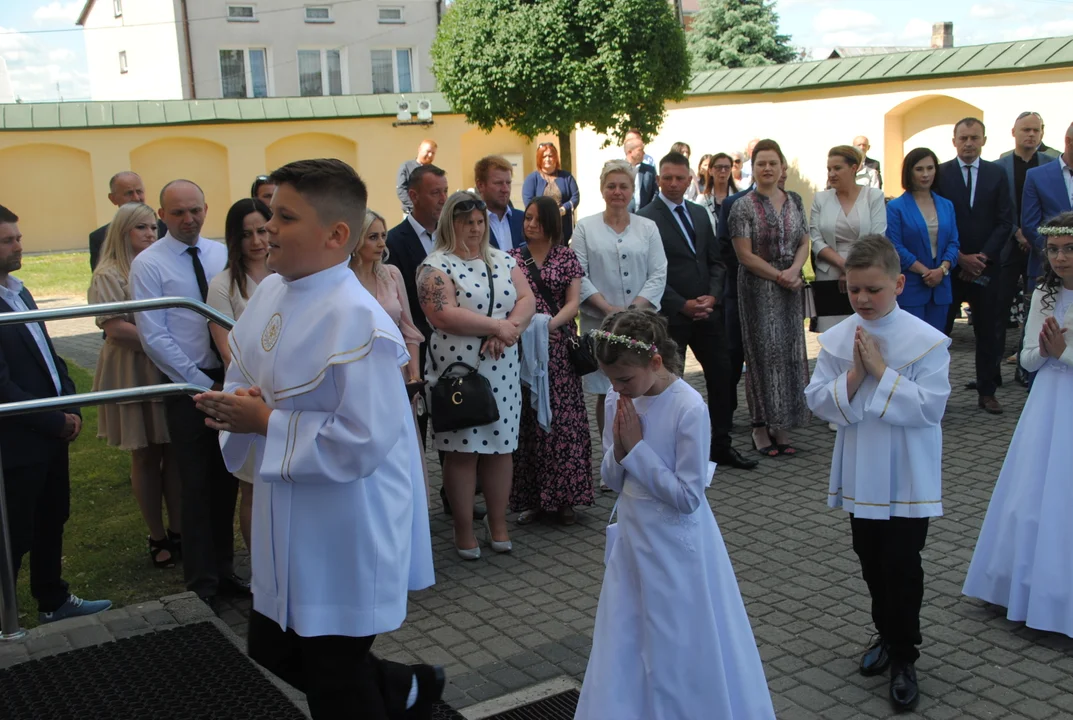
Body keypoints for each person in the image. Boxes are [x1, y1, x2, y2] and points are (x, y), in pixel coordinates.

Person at [192, 159, 442, 719]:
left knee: (335, 679)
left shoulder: (358, 320)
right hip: (290, 512)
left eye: (284, 216)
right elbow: (247, 367)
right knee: (273, 644)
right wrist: (242, 404)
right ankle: (408, 687)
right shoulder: (271, 293)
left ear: (335, 236)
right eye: (269, 212)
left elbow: (363, 439)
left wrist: (264, 424)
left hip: (346, 523)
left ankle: (402, 691)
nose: (268, 228)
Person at [575, 309, 774, 720]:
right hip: (634, 535)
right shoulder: (618, 397)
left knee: (678, 636)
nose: (617, 389)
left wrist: (638, 449)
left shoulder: (688, 407)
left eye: (625, 379)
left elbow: (687, 497)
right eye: (610, 380)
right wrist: (619, 447)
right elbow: (612, 479)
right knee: (627, 633)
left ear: (656, 361)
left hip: (676, 544)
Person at [804, 234, 951, 713]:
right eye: (854, 290)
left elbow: (931, 409)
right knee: (869, 558)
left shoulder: (927, 341)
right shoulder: (839, 337)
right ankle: (887, 635)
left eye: (873, 290)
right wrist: (855, 376)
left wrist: (884, 372)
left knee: (903, 565)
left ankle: (906, 656)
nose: (862, 300)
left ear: (899, 284)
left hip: (907, 470)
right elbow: (816, 398)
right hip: (861, 467)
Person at [130, 179, 245, 610]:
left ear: (206, 208)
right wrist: (200, 383)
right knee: (194, 485)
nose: (188, 219)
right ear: (161, 215)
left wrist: (228, 382)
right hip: (186, 387)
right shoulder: (149, 264)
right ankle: (202, 584)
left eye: (195, 210)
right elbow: (155, 336)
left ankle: (226, 569)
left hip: (229, 379)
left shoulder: (220, 254)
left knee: (227, 480)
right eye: (177, 212)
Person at [0, 204, 113, 623]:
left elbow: (50, 355)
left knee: (53, 517)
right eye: (8, 240)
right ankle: (6, 616)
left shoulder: (20, 290)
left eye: (18, 238)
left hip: (50, 429)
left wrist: (70, 404)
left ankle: (53, 599)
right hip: (18, 439)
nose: (18, 246)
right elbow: (2, 384)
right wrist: (52, 419)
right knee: (14, 532)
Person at [962, 212, 1073, 638]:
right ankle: (1022, 587)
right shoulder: (1045, 293)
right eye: (1054, 249)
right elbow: (1025, 360)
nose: (1059, 258)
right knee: (1034, 492)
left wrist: (1063, 353)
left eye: (1068, 248)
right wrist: (1045, 351)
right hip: (1047, 405)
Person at [417, 191, 536, 559]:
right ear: (449, 223)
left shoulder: (503, 259)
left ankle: (497, 522)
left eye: (479, 221)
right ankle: (463, 527)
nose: (474, 227)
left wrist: (510, 329)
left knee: (502, 448)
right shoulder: (434, 266)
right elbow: (443, 315)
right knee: (463, 451)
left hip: (502, 367)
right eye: (465, 221)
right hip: (458, 372)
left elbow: (527, 299)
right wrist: (496, 328)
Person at [640, 151, 757, 470]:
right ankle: (671, 450)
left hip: (709, 314)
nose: (673, 183)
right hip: (671, 318)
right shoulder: (646, 218)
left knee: (722, 377)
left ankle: (720, 444)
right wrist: (683, 304)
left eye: (680, 178)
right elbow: (650, 273)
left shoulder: (699, 212)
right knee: (668, 384)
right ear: (659, 179)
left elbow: (715, 261)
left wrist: (712, 298)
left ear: (690, 178)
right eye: (667, 178)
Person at [89, 202, 181, 568]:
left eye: (153, 228)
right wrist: (164, 341)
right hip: (133, 366)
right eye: (140, 228)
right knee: (144, 452)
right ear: (123, 231)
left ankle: (178, 530)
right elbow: (114, 327)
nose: (149, 234)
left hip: (163, 365)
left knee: (172, 451)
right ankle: (156, 534)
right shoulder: (109, 274)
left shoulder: (159, 265)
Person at [508, 197, 592, 525]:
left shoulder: (566, 256)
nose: (529, 224)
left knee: (564, 424)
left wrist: (550, 326)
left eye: (536, 220)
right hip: (526, 352)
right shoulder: (513, 258)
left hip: (559, 351)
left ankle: (566, 499)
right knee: (530, 424)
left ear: (550, 224)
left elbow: (574, 302)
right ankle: (534, 499)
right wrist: (531, 330)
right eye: (526, 218)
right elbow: (510, 301)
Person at [572, 160, 667, 444]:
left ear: (631, 190)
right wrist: (608, 309)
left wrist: (634, 310)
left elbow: (659, 271)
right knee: (608, 390)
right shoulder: (585, 228)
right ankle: (612, 455)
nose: (617, 191)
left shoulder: (647, 228)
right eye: (611, 186)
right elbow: (578, 273)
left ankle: (647, 448)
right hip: (600, 323)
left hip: (643, 324)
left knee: (645, 383)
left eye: (623, 186)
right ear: (602, 189)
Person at [729, 139, 812, 457]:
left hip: (790, 288)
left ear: (781, 168)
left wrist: (794, 269)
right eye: (760, 163)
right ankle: (760, 427)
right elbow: (744, 255)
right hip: (759, 289)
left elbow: (804, 240)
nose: (766, 168)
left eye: (772, 163)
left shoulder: (795, 201)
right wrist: (780, 276)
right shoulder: (743, 206)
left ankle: (782, 425)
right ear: (753, 168)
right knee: (763, 356)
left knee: (790, 353)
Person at [206, 198, 273, 554]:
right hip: (248, 393)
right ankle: (261, 569)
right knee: (253, 486)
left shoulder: (287, 274)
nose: (257, 241)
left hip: (286, 394)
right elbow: (226, 348)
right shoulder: (223, 285)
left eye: (262, 230)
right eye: (247, 234)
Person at [937, 118, 1015, 415]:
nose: (969, 143)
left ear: (984, 140)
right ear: (954, 140)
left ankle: (987, 391)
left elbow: (1005, 220)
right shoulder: (940, 173)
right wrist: (959, 257)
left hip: (986, 267)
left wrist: (982, 257)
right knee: (942, 332)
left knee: (989, 331)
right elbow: (940, 221)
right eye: (963, 138)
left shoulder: (997, 173)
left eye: (974, 138)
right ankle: (938, 393)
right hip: (950, 266)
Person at [350, 209, 429, 502]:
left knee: (401, 448)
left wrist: (414, 376)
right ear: (356, 241)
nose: (382, 243)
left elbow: (410, 330)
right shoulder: (343, 279)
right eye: (373, 237)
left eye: (383, 236)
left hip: (395, 376)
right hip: (360, 376)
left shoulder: (392, 274)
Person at [386, 164, 448, 443]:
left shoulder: (452, 237)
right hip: (416, 351)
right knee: (416, 431)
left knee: (455, 429)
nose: (443, 199)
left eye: (445, 191)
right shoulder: (393, 242)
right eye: (436, 192)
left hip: (454, 349)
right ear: (414, 195)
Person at [996, 112, 1059, 384]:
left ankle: (1029, 366)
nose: (1030, 135)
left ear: (1042, 132)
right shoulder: (1000, 166)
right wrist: (1016, 233)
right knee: (999, 309)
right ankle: (993, 372)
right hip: (1007, 246)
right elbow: (999, 207)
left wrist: (1037, 240)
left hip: (1043, 250)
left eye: (1035, 130)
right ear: (1014, 132)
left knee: (1039, 306)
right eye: (1025, 130)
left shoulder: (1051, 164)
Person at [810, 146, 888, 332]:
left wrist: (852, 269)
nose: (832, 174)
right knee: (832, 334)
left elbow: (877, 237)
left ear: (854, 168)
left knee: (864, 332)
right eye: (829, 169)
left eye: (837, 168)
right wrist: (843, 266)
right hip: (829, 273)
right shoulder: (821, 199)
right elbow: (816, 238)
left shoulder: (873, 197)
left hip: (866, 271)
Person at [886, 148, 959, 331]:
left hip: (940, 287)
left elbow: (953, 242)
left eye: (930, 168)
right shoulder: (896, 207)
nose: (926, 174)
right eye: (919, 169)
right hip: (911, 287)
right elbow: (896, 247)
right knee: (910, 343)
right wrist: (926, 272)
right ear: (909, 172)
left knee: (936, 344)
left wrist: (941, 270)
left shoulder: (946, 205)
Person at [89, 171, 166, 270]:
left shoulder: (165, 228)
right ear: (112, 198)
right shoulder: (100, 237)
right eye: (129, 193)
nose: (136, 198)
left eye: (139, 192)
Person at [521, 143, 580, 243]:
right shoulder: (532, 179)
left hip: (563, 228)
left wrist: (563, 209)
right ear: (539, 158)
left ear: (556, 158)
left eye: (550, 156)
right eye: (544, 156)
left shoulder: (567, 177)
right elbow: (528, 200)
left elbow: (575, 197)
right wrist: (544, 214)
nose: (547, 159)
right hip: (540, 227)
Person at [475, 155, 525, 250]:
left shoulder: (522, 219)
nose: (505, 189)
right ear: (480, 185)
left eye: (508, 183)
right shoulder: (470, 224)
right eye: (498, 183)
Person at [699, 152, 738, 234]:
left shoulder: (740, 196)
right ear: (710, 171)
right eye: (718, 167)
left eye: (727, 167)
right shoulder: (702, 200)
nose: (723, 171)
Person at [396, 139, 438, 215]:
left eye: (433, 153)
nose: (430, 155)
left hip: (431, 215)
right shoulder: (406, 167)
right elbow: (401, 190)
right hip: (411, 213)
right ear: (419, 149)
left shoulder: (436, 171)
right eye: (428, 151)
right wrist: (416, 207)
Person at [624, 136, 656, 212]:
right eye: (640, 150)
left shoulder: (649, 171)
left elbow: (655, 193)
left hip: (645, 215)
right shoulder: (619, 170)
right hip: (623, 216)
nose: (644, 153)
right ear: (630, 152)